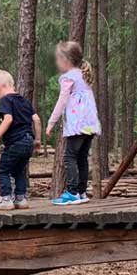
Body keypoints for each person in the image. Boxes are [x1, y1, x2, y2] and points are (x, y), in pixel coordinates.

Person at [46, 40, 100, 206]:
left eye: (57, 59)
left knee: (70, 157)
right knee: (82, 157)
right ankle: (82, 192)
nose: (56, 63)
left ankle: (71, 192)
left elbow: (62, 101)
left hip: (78, 124)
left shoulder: (68, 78)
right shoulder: (83, 75)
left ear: (65, 60)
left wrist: (51, 122)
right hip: (90, 124)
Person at [0, 69, 41, 210]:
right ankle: (20, 199)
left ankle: (5, 200)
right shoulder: (24, 101)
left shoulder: (6, 100)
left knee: (3, 171)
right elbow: (36, 119)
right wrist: (38, 140)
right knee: (19, 171)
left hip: (15, 142)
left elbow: (8, 119)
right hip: (28, 141)